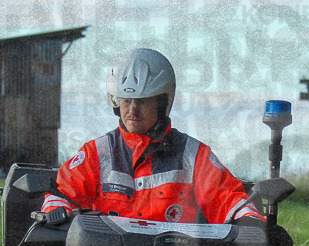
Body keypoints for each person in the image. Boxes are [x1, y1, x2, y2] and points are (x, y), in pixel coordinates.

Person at [41, 48, 261, 224]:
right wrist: (57, 209)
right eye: (127, 101)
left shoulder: (193, 156)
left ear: (162, 102)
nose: (132, 110)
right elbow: (62, 194)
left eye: (143, 101)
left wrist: (253, 223)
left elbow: (229, 200)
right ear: (116, 102)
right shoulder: (96, 153)